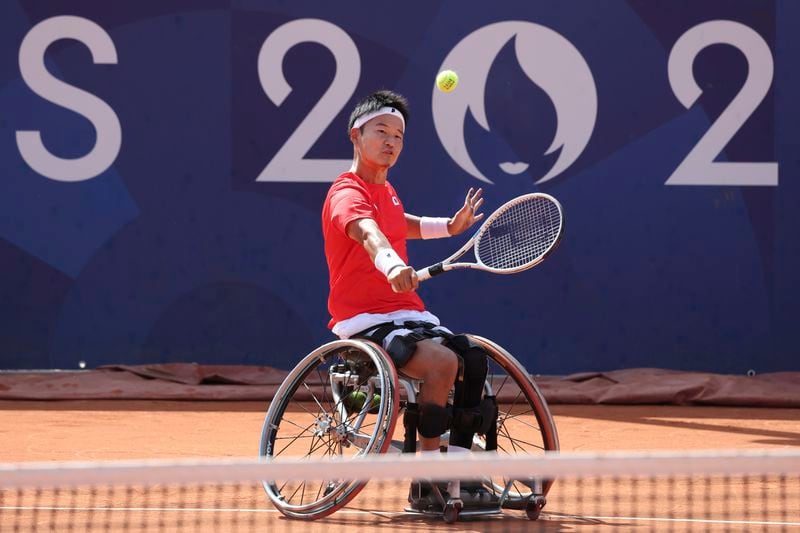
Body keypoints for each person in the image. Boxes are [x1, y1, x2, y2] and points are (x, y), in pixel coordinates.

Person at [321, 90, 495, 508]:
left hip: (408, 314)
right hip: (363, 319)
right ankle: (429, 476)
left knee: (474, 359)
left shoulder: (388, 193)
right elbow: (370, 233)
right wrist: (391, 264)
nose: (391, 141)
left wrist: (449, 228)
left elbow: (401, 224)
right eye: (381, 131)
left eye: (399, 135)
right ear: (355, 136)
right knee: (442, 363)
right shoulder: (346, 192)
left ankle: (458, 469)